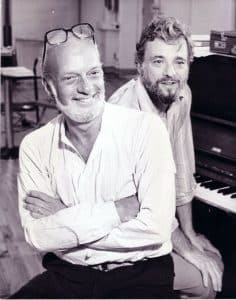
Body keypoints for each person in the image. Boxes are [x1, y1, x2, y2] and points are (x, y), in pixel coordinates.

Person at [11, 23, 176, 299]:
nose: (86, 88)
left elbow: (156, 228)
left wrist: (66, 214)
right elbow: (38, 236)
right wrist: (117, 210)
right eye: (70, 78)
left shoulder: (147, 130)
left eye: (93, 73)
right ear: (49, 87)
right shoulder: (34, 147)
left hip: (141, 276)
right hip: (69, 276)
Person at [108, 17, 224, 299]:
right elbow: (144, 208)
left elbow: (181, 169)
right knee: (207, 281)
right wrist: (189, 251)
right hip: (119, 240)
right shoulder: (125, 117)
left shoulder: (182, 94)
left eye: (179, 62)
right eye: (158, 61)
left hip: (155, 223)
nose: (170, 73)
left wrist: (191, 233)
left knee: (214, 256)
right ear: (139, 66)